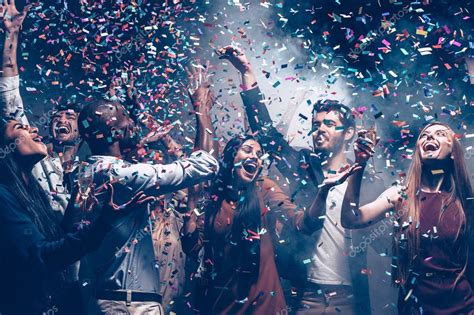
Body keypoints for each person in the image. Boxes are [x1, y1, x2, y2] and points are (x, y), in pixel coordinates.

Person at [218, 45, 379, 314]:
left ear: (348, 133)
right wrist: (247, 72)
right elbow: (266, 134)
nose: (319, 130)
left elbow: (385, 239)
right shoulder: (302, 166)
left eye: (329, 124)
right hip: (306, 294)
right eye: (315, 125)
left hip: (349, 297)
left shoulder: (363, 178)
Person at [70, 98, 219, 314]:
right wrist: (202, 110)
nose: (132, 122)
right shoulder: (124, 175)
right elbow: (206, 164)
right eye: (125, 116)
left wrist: (143, 143)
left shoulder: (86, 172)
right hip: (128, 306)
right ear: (114, 131)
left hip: (106, 300)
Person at [181, 134, 357, 314]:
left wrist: (323, 193)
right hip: (223, 304)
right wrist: (191, 206)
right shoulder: (214, 199)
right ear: (231, 157)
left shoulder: (263, 188)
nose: (254, 158)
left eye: (259, 155)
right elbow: (191, 246)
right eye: (248, 150)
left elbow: (303, 223)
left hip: (266, 305)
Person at [0, 117, 151, 315]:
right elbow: (42, 257)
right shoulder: (3, 196)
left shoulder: (32, 192)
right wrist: (105, 223)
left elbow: (53, 242)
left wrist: (75, 207)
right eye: (20, 127)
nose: (34, 129)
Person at [340, 122, 473, 314]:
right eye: (424, 135)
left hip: (463, 307)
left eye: (440, 134)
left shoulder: (465, 202)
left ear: (453, 151)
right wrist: (360, 163)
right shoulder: (400, 195)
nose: (429, 137)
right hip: (415, 308)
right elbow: (350, 219)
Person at [0, 0, 80, 215]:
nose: (61, 120)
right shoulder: (36, 160)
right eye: (57, 117)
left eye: (70, 116)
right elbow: (10, 99)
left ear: (83, 129)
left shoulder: (89, 172)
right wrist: (12, 34)